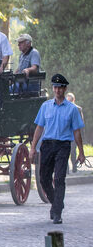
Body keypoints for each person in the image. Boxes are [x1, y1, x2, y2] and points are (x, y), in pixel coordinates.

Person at [29, 74, 85, 224]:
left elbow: (77, 131)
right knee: (43, 179)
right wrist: (33, 148)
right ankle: (56, 203)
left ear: (65, 89)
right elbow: (39, 128)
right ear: (53, 88)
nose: (58, 90)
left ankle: (57, 213)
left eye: (60, 87)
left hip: (63, 146)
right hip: (47, 145)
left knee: (59, 178)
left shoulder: (72, 109)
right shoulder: (45, 106)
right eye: (55, 87)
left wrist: (81, 152)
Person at [65, 92, 85, 173]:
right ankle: (66, 170)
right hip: (65, 134)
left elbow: (81, 123)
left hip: (74, 134)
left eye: (70, 101)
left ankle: (74, 166)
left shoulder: (78, 109)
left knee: (73, 151)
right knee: (65, 151)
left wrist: (81, 135)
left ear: (73, 100)